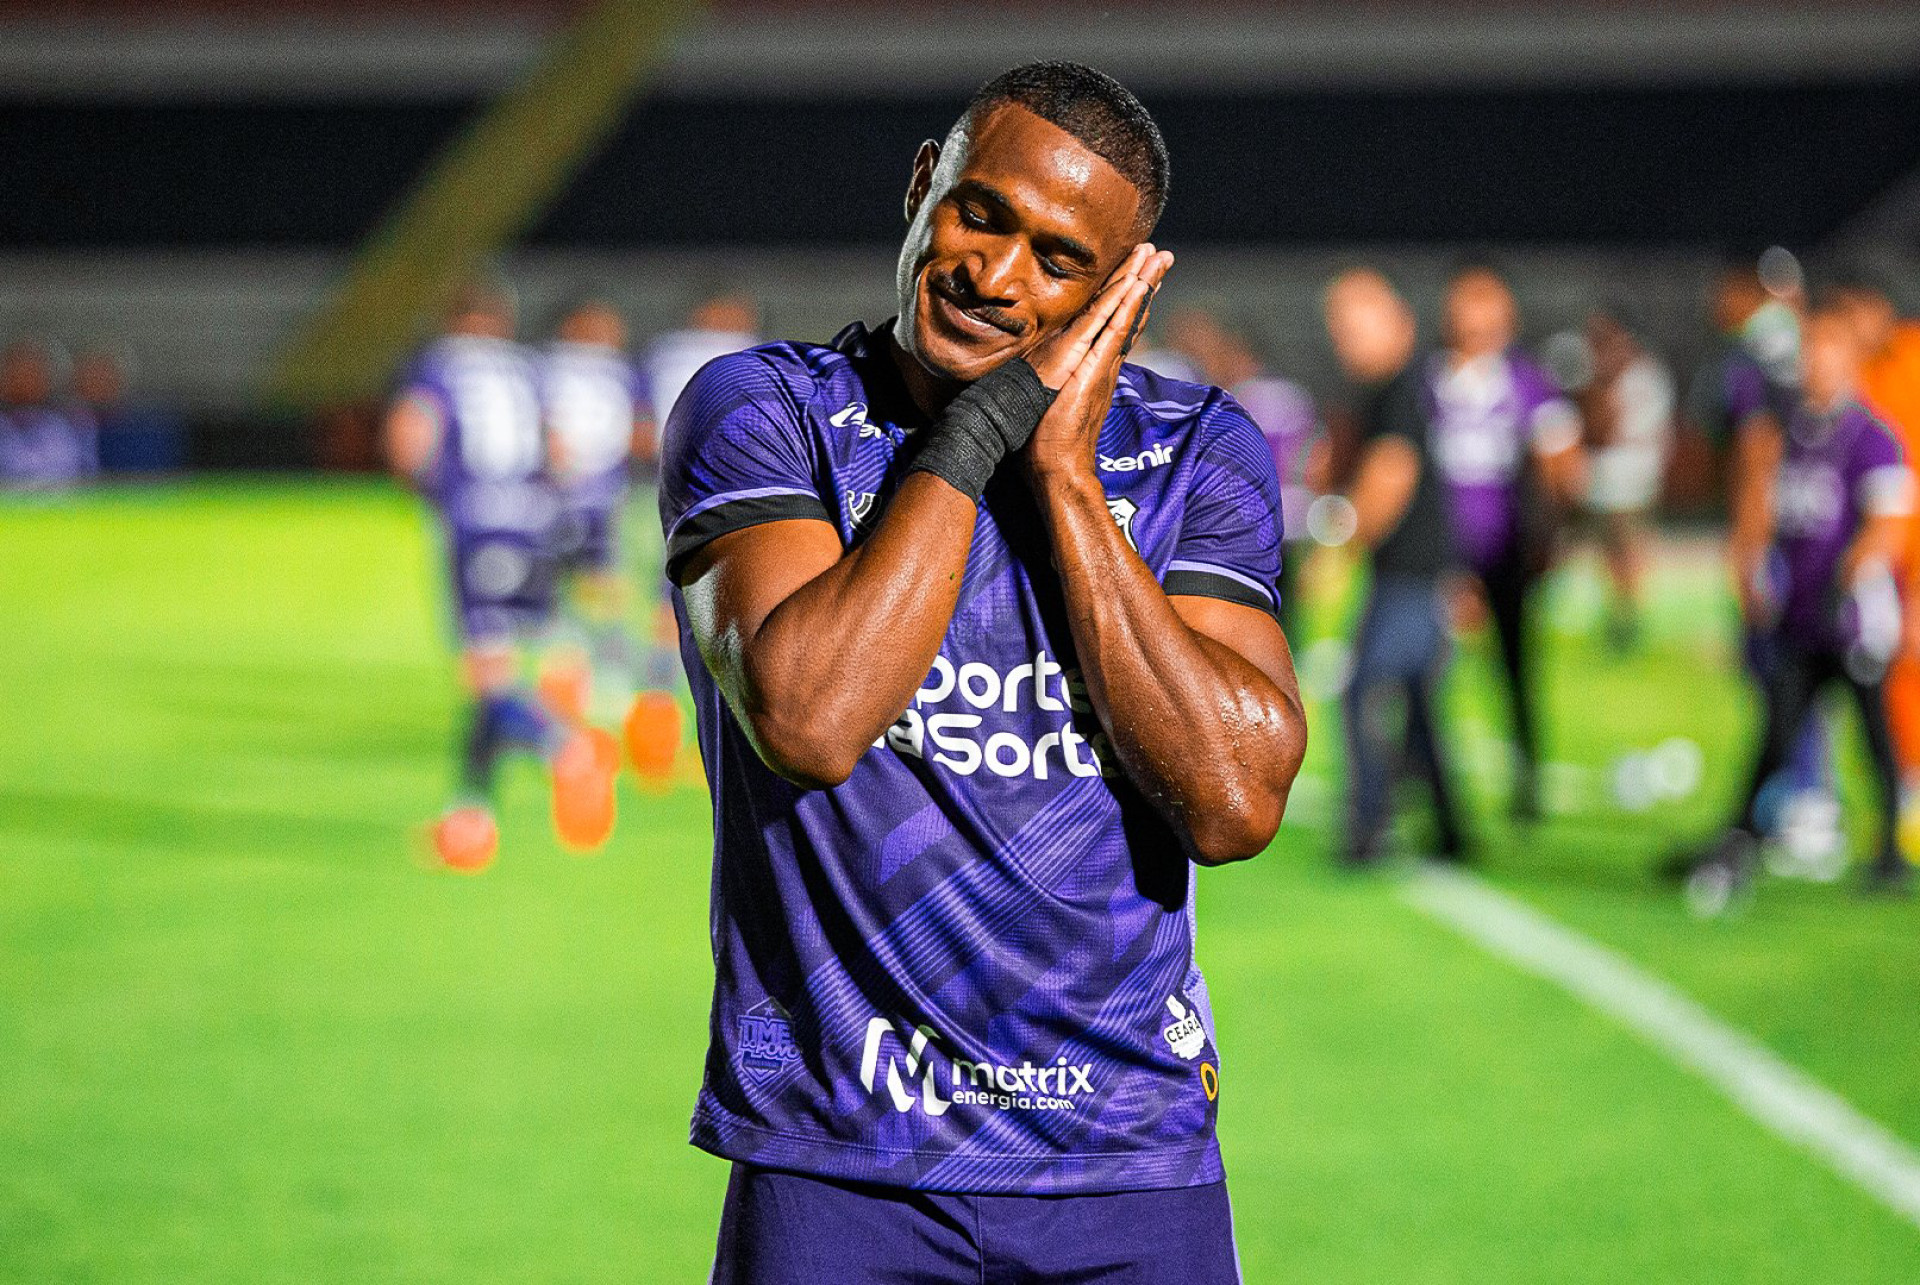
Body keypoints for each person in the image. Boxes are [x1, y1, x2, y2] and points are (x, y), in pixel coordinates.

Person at [659, 61, 1305, 1283]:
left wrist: (1062, 478)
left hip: (1125, 1152)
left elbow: (1233, 799)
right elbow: (807, 713)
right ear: (922, 186)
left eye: (1060, 259)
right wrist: (974, 438)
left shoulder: (1193, 455)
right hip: (840, 1155)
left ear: (1121, 289)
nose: (996, 275)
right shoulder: (766, 411)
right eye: (980, 214)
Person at [1684, 307, 1913, 909]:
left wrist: (1848, 582)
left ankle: (1887, 851)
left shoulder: (1872, 436)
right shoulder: (1789, 432)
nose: (1814, 365)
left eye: (1827, 353)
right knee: (1778, 731)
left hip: (1853, 618)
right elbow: (1764, 509)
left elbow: (1888, 525)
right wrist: (1755, 568)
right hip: (1800, 616)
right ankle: (1740, 836)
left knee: (1872, 736)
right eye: (1809, 352)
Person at [384, 283, 618, 872]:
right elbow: (559, 449)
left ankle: (568, 749)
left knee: (488, 680)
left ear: (456, 317)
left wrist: (427, 487)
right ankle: (469, 822)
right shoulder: (524, 368)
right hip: (534, 525)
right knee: (498, 675)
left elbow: (410, 437)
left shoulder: (440, 365)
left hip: (478, 527)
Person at [1427, 262, 1583, 818]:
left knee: (1515, 668)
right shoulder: (1429, 379)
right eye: (1466, 302)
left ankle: (1527, 775)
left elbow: (1564, 466)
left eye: (1485, 303)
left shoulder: (1527, 381)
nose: (1474, 316)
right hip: (1440, 557)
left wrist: (1552, 533)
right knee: (1424, 673)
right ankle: (1427, 786)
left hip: (1506, 555)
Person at [1325, 268, 1469, 866]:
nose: (1346, 343)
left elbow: (1392, 472)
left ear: (1397, 322)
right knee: (1417, 704)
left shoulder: (1400, 388)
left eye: (1357, 327)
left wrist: (1342, 547)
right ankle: (1452, 834)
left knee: (1365, 693)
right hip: (1418, 572)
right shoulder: (1400, 386)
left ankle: (1368, 829)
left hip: (1412, 575)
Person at [537, 295, 682, 779]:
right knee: (602, 593)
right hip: (602, 498)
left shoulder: (548, 366)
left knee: (576, 598)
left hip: (561, 498)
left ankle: (578, 693)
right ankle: (610, 691)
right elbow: (642, 435)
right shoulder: (616, 371)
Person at [1827, 269, 1920, 819]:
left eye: (1850, 309)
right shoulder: (1854, 371)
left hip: (1907, 545)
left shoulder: (1910, 363)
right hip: (1873, 545)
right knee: (1874, 669)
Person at [1168, 308, 1321, 633]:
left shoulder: (1229, 404)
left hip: (1247, 533)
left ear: (1234, 349)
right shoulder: (1292, 394)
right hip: (1293, 527)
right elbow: (1318, 461)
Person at [1575, 305, 1676, 650]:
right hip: (1603, 484)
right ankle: (1617, 619)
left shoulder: (1644, 377)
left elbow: (1607, 430)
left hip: (1634, 482)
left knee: (1630, 555)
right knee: (1608, 556)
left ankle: (1630, 623)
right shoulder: (1594, 374)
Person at [72, 343, 186, 474]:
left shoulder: (147, 432)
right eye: (90, 377)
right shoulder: (63, 428)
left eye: (104, 375)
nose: (97, 383)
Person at [0, 338, 97, 491]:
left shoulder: (66, 427)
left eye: (31, 373)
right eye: (17, 373)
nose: (24, 382)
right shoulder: (4, 428)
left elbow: (85, 480)